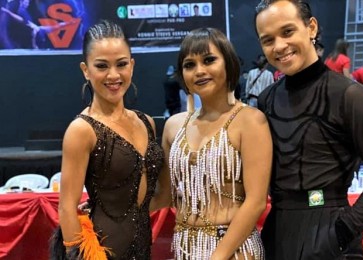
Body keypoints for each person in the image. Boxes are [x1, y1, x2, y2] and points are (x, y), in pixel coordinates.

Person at [254, 1, 363, 259]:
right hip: (276, 233)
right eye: (268, 40)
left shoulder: (350, 95)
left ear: (311, 27)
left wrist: (343, 230)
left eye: (287, 32)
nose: (279, 46)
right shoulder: (266, 99)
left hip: (331, 230)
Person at [50, 20, 164, 259]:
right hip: (101, 251)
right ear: (85, 69)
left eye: (121, 64)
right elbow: (66, 209)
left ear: (132, 65)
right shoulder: (82, 130)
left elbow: (149, 198)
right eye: (102, 66)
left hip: (143, 248)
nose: (113, 75)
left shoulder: (146, 122)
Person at [161, 27, 272, 259]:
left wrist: (217, 256)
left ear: (228, 64)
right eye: (189, 65)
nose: (199, 71)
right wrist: (107, 208)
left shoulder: (250, 121)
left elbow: (256, 201)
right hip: (185, 248)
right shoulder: (174, 126)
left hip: (234, 250)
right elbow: (163, 194)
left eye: (209, 60)